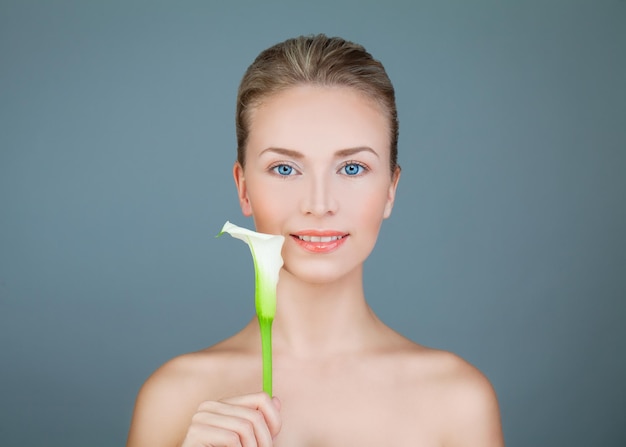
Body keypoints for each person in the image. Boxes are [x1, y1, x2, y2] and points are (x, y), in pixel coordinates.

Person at [126, 34, 504, 447]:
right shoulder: (174, 398)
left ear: (391, 190)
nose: (319, 204)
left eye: (353, 168)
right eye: (285, 169)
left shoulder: (457, 401)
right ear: (244, 188)